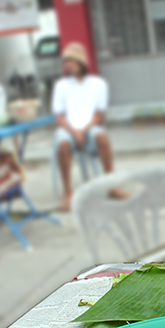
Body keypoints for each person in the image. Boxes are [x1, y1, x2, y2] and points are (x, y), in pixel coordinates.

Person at [52, 42, 126, 211]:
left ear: (82, 62)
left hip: (89, 127)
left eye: (72, 61)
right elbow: (59, 116)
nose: (69, 65)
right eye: (67, 61)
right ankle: (68, 193)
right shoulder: (61, 86)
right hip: (68, 128)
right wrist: (74, 131)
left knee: (103, 138)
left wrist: (84, 130)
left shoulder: (98, 84)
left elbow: (99, 115)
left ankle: (110, 184)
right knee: (62, 144)